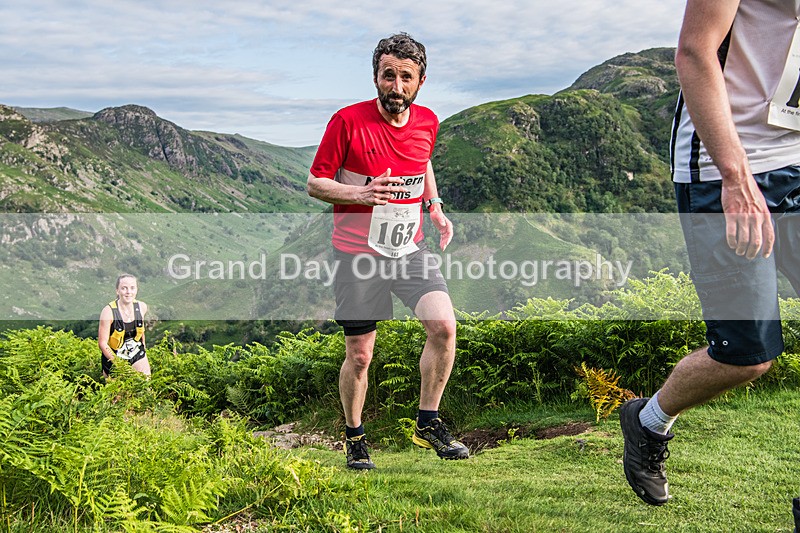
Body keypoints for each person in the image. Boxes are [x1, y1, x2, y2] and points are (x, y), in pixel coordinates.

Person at [620, 0, 800, 514]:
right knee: (748, 354)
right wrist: (735, 178)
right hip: (729, 166)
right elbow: (695, 50)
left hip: (797, 158)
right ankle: (647, 420)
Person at [307, 32, 469, 469]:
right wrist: (361, 195)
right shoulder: (346, 121)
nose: (396, 87)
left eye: (406, 78)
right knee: (360, 355)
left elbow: (423, 163)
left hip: (408, 249)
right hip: (357, 255)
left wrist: (434, 208)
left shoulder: (428, 121)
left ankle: (428, 422)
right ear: (376, 76)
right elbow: (315, 182)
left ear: (421, 81)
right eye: (388, 75)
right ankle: (355, 437)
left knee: (444, 329)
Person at [98, 274, 151, 378]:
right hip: (114, 357)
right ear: (117, 291)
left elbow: (141, 329)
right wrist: (118, 364)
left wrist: (143, 347)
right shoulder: (108, 312)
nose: (128, 292)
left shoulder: (142, 307)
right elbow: (102, 343)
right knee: (119, 394)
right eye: (124, 288)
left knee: (145, 388)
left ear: (136, 290)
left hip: (136, 352)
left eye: (132, 288)